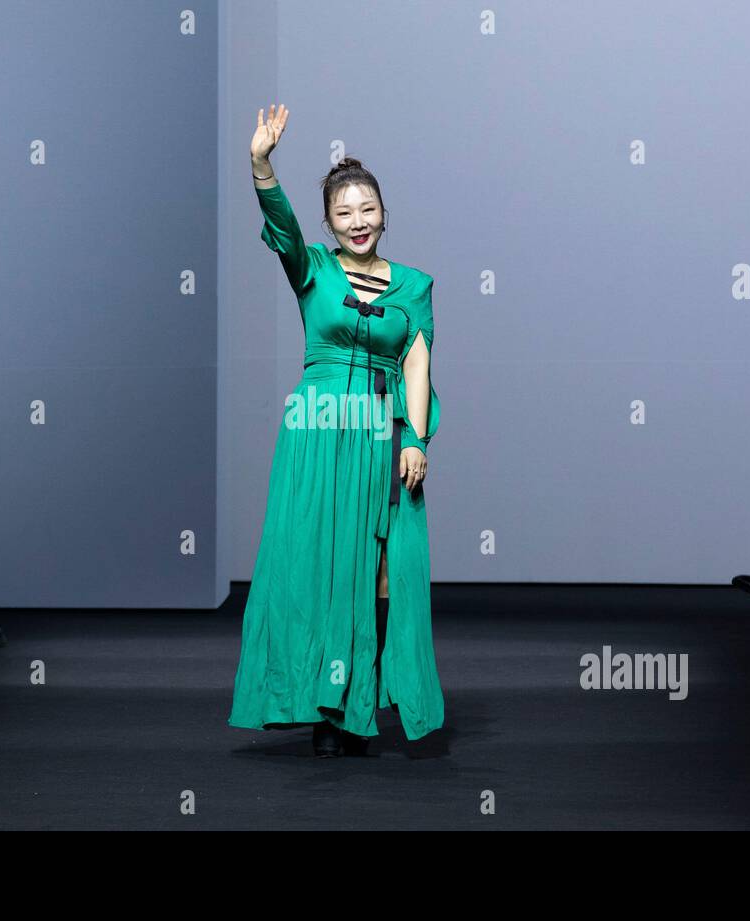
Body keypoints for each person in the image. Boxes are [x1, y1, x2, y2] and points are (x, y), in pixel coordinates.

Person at [228, 104, 444, 756]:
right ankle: (324, 705)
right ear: (329, 222)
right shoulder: (312, 267)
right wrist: (262, 162)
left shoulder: (414, 284)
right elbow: (280, 224)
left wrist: (415, 438)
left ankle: (358, 697)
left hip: (381, 438)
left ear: (384, 213)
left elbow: (417, 357)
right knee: (317, 567)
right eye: (345, 213)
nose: (358, 221)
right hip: (317, 436)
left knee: (382, 573)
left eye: (368, 209)